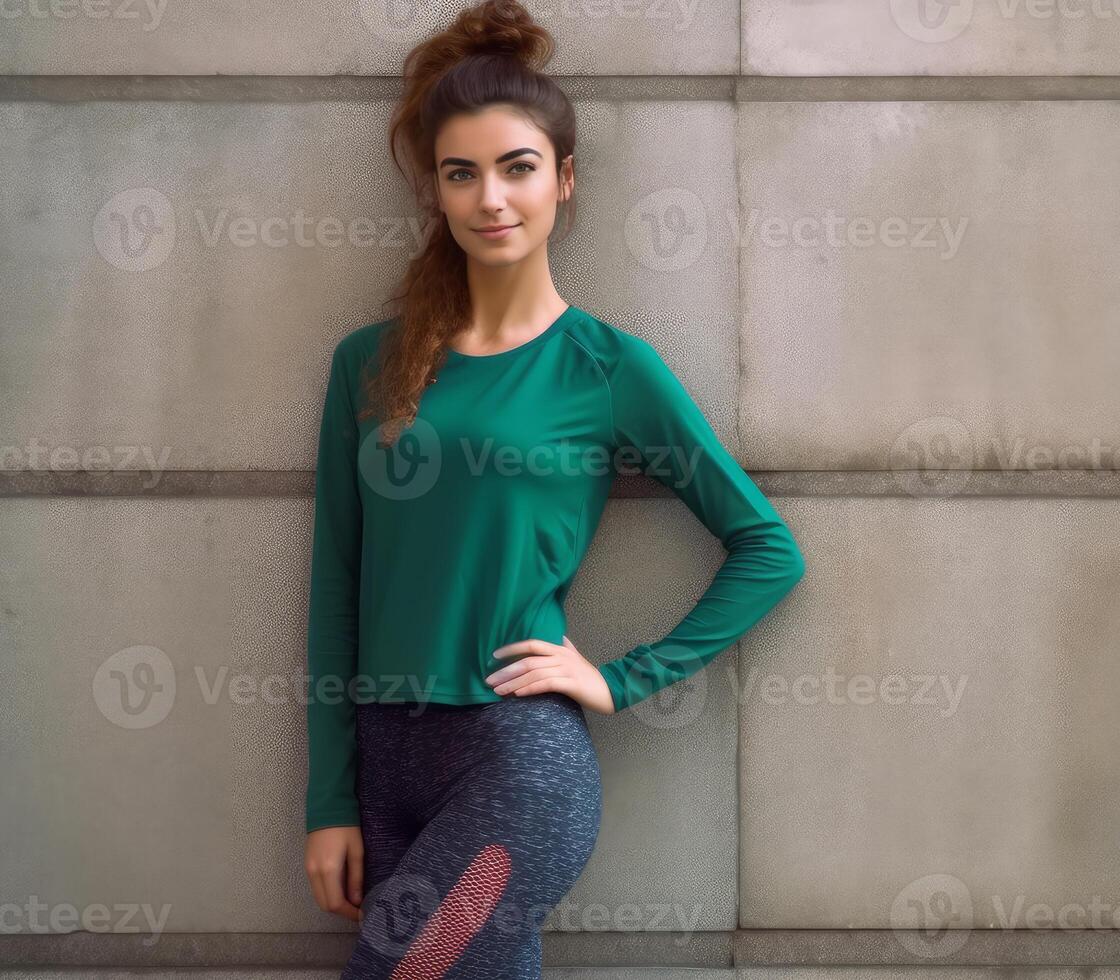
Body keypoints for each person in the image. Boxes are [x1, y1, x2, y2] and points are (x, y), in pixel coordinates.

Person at [299, 1, 806, 976]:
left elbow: (767, 548)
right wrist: (329, 799)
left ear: (564, 182)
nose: (491, 197)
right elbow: (334, 585)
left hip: (514, 761)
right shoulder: (367, 365)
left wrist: (619, 677)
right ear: (438, 193)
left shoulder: (607, 367)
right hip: (385, 764)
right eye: (462, 173)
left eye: (518, 167)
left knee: (402, 970)